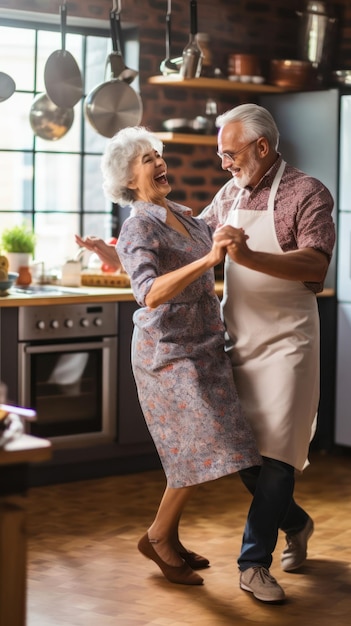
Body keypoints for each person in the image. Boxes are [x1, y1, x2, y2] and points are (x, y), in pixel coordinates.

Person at [75, 126, 261, 587]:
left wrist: (111, 254)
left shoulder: (183, 216)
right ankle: (159, 537)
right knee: (201, 441)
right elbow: (148, 293)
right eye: (145, 159)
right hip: (167, 352)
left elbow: (150, 264)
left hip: (204, 343)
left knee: (194, 448)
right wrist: (207, 261)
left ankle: (167, 538)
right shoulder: (139, 223)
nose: (158, 162)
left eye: (157, 154)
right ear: (128, 179)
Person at [200, 103, 335, 602]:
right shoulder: (229, 192)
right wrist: (126, 248)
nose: (225, 164)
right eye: (220, 155)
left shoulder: (307, 193)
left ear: (262, 147)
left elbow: (315, 266)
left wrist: (249, 255)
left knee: (278, 457)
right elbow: (197, 238)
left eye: (230, 153)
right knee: (246, 460)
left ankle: (253, 564)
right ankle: (296, 523)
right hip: (238, 341)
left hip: (288, 344)